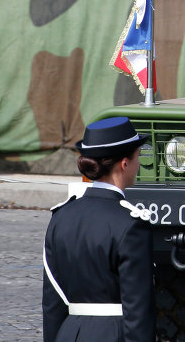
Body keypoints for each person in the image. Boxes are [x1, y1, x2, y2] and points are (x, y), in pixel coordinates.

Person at [42, 116, 155, 342]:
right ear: (124, 163)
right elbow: (138, 311)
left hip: (69, 333)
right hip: (114, 334)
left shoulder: (61, 217)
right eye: (137, 157)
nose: (139, 164)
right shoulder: (130, 224)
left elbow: (52, 305)